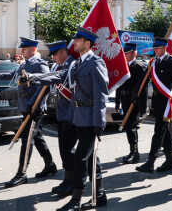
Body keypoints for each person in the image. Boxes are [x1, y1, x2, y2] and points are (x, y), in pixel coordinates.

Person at [0, 37, 56, 188]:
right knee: (36, 136)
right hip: (26, 106)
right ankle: (50, 164)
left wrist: (33, 104)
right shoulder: (24, 64)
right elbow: (10, 75)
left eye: (24, 49)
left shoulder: (40, 64)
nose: (21, 51)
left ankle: (22, 173)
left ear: (33, 49)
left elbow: (47, 83)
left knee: (27, 140)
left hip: (34, 108)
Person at [57, 27, 109, 211]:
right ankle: (100, 195)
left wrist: (99, 122)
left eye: (78, 39)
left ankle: (76, 200)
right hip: (78, 118)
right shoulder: (77, 64)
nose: (74, 42)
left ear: (87, 43)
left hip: (90, 120)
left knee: (80, 158)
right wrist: (71, 118)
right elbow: (74, 94)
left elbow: (101, 95)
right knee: (90, 158)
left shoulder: (96, 63)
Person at [29, 41, 76, 197]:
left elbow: (56, 80)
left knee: (69, 149)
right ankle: (68, 179)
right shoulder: (59, 66)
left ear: (63, 52)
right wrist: (32, 104)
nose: (53, 58)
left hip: (72, 114)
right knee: (64, 149)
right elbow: (48, 86)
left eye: (55, 54)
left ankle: (74, 181)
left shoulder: (72, 65)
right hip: (62, 114)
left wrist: (33, 77)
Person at [136, 37, 172, 174]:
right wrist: (136, 93)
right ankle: (169, 161)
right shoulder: (153, 62)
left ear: (165, 48)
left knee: (159, 131)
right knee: (165, 132)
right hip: (157, 101)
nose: (155, 50)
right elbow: (144, 78)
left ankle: (150, 162)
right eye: (154, 48)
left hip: (167, 101)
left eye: (158, 48)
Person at [115, 43, 148, 164]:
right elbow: (119, 84)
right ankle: (133, 151)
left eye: (127, 53)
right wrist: (117, 100)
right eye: (124, 53)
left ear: (134, 53)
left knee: (131, 127)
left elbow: (143, 88)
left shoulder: (139, 67)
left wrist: (143, 107)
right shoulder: (122, 66)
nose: (125, 55)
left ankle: (134, 153)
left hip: (134, 101)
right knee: (128, 127)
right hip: (125, 99)